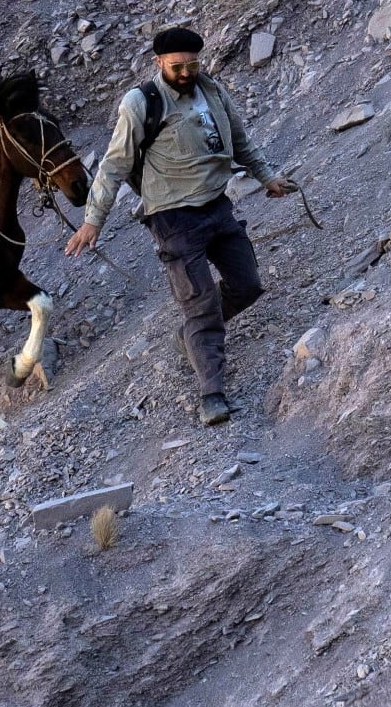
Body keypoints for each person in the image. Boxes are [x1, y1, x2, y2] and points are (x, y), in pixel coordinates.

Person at [63, 24, 295, 424]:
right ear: (158, 63)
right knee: (201, 304)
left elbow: (239, 140)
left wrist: (267, 177)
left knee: (248, 285)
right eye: (177, 66)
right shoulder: (141, 103)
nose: (186, 72)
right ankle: (211, 395)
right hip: (173, 218)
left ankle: (191, 336)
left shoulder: (211, 89)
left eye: (192, 64)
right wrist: (92, 221)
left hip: (217, 206)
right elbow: (114, 165)